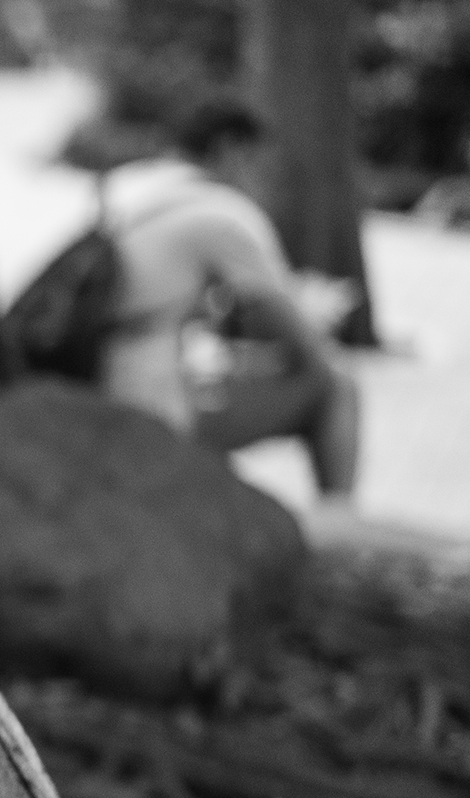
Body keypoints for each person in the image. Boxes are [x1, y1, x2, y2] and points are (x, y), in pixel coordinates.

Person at [98, 97, 361, 499]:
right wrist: (314, 311)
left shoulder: (126, 184)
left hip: (93, 375)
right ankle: (340, 521)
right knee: (337, 384)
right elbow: (307, 349)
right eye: (259, 165)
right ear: (230, 150)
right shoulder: (225, 212)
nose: (263, 181)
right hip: (149, 405)